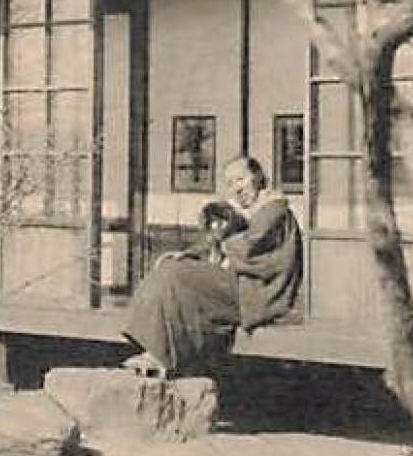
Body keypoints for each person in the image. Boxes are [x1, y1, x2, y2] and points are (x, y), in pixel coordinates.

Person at [123, 156, 303, 376]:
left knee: (175, 274)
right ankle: (158, 349)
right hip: (241, 284)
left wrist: (220, 244)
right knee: (171, 268)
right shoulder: (256, 212)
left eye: (241, 180)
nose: (236, 189)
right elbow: (220, 244)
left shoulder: (273, 209)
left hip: (258, 292)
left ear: (258, 177)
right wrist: (188, 254)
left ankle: (163, 353)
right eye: (230, 184)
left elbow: (247, 247)